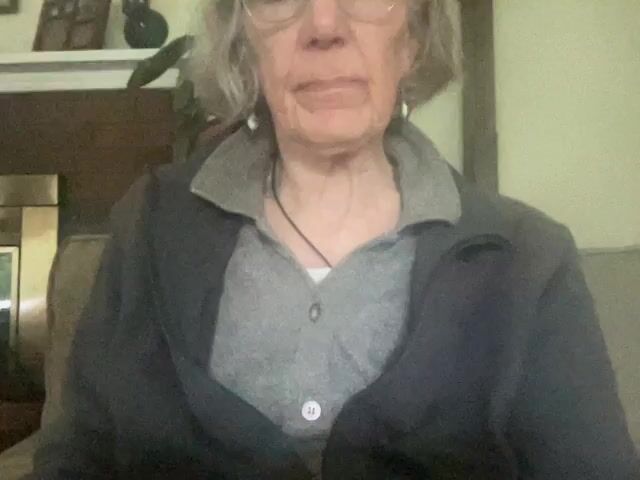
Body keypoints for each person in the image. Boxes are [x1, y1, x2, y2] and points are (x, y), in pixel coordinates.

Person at [28, 0, 639, 478]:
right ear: (245, 45)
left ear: (413, 39)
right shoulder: (149, 223)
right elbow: (76, 459)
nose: (324, 25)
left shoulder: (530, 260)